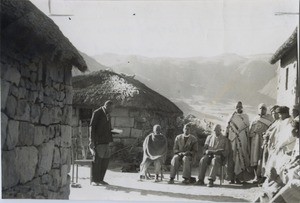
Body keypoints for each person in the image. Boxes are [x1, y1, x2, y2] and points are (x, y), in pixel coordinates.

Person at [225, 101, 252, 183]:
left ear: (242, 107)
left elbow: (247, 129)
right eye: (237, 106)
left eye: (240, 106)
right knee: (233, 158)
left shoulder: (245, 117)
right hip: (233, 140)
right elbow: (227, 128)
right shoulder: (231, 117)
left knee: (242, 158)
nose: (239, 108)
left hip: (243, 139)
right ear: (235, 107)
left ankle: (240, 178)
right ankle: (232, 178)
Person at [89, 100, 114, 186]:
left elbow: (108, 128)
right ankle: (94, 180)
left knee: (105, 162)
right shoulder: (97, 112)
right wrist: (91, 140)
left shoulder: (108, 115)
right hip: (98, 142)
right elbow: (92, 127)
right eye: (111, 108)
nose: (112, 110)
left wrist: (112, 133)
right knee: (97, 161)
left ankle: (100, 179)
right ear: (107, 106)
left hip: (106, 142)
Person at [249, 103, 273, 183]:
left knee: (263, 158)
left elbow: (271, 130)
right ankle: (256, 176)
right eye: (260, 108)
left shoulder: (270, 119)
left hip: (264, 141)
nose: (262, 110)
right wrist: (253, 133)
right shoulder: (255, 119)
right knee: (255, 158)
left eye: (263, 108)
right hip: (255, 141)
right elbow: (250, 130)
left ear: (266, 110)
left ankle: (263, 177)